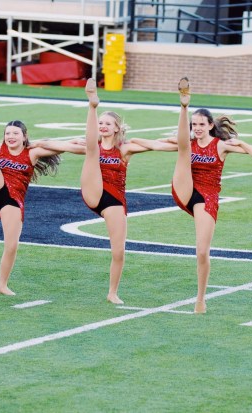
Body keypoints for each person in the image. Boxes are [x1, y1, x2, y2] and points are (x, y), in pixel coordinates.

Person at [170, 77, 252, 314]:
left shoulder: (220, 145)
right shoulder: (188, 142)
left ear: (210, 125)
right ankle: (183, 105)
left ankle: (200, 298)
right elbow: (157, 143)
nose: (197, 128)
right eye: (194, 124)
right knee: (182, 147)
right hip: (185, 188)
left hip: (206, 197)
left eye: (201, 124)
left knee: (202, 251)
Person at [0, 92, 85, 296]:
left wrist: (90, 147)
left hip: (12, 200)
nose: (11, 136)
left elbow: (64, 148)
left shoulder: (32, 152)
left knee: (11, 245)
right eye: (8, 133)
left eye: (15, 133)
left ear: (24, 136)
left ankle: (2, 285)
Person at [73, 78, 165, 305]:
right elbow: (56, 146)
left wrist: (187, 142)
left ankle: (112, 292)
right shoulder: (90, 145)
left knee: (118, 252)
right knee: (91, 149)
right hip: (93, 191)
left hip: (113, 199)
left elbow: (158, 145)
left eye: (108, 123)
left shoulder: (124, 149)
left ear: (116, 128)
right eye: (100, 123)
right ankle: (92, 105)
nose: (103, 126)